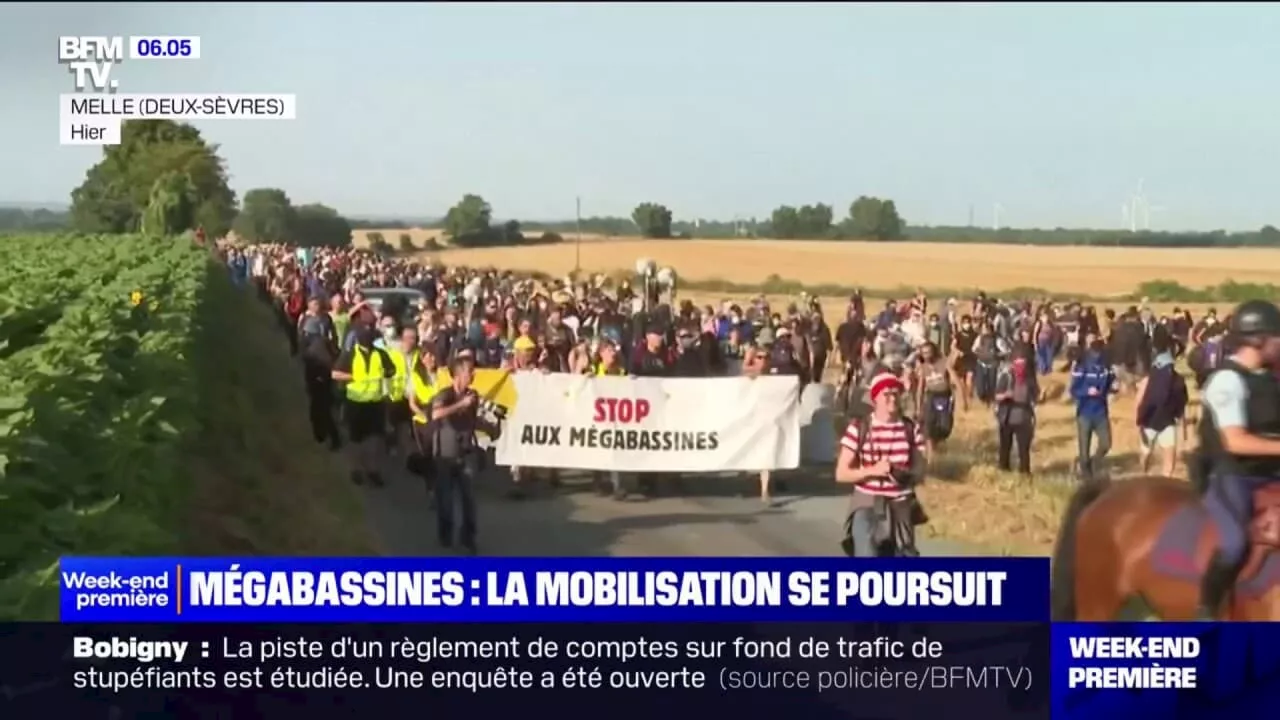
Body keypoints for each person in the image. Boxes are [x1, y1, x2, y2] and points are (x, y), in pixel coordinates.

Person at [1193, 299, 1280, 619]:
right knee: (1233, 543)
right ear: (1259, 340)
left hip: (1272, 473)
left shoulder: (1270, 378)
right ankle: (1206, 609)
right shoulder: (1226, 381)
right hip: (1230, 475)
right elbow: (1236, 441)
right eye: (1278, 338)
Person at [835, 372, 926, 557]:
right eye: (886, 394)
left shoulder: (911, 428)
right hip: (868, 503)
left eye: (896, 394)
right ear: (875, 398)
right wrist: (872, 470)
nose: (892, 398)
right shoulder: (859, 428)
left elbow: (921, 470)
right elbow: (841, 473)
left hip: (901, 505)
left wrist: (904, 474)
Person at [429, 355, 500, 553]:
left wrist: (488, 428)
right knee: (446, 500)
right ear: (459, 374)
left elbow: (471, 420)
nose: (473, 374)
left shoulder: (473, 395)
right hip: (445, 454)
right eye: (470, 371)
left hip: (466, 451)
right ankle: (445, 535)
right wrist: (460, 405)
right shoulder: (445, 395)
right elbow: (436, 414)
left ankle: (468, 537)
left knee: (469, 498)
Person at [331, 322, 396, 486]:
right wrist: (353, 377)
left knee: (374, 439)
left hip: (375, 402)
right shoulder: (350, 354)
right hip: (356, 402)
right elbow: (335, 374)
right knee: (355, 439)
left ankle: (372, 470)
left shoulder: (381, 354)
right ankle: (356, 470)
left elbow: (391, 371)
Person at [1135, 332, 1188, 477]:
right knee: (1155, 454)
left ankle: (1153, 476)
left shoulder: (1151, 377)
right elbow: (1182, 405)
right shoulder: (1177, 379)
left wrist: (1138, 419)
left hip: (1155, 420)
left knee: (1152, 453)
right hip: (1158, 421)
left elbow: (1140, 398)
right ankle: (1155, 476)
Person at [1069, 338, 1116, 481]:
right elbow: (1073, 390)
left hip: (1101, 411)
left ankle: (1094, 462)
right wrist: (1086, 391)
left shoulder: (1106, 367)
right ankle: (1085, 474)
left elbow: (1109, 383)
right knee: (1084, 448)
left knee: (1106, 443)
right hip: (1084, 412)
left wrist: (1112, 389)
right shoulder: (1081, 366)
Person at [994, 353, 1038, 476]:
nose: (1021, 367)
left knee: (1024, 450)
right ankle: (1003, 471)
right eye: (1018, 364)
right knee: (1005, 448)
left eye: (1023, 364)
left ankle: (1024, 474)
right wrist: (1005, 396)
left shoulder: (1030, 380)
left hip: (1024, 418)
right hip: (1006, 418)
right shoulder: (1006, 377)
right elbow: (996, 396)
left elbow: (1035, 397)